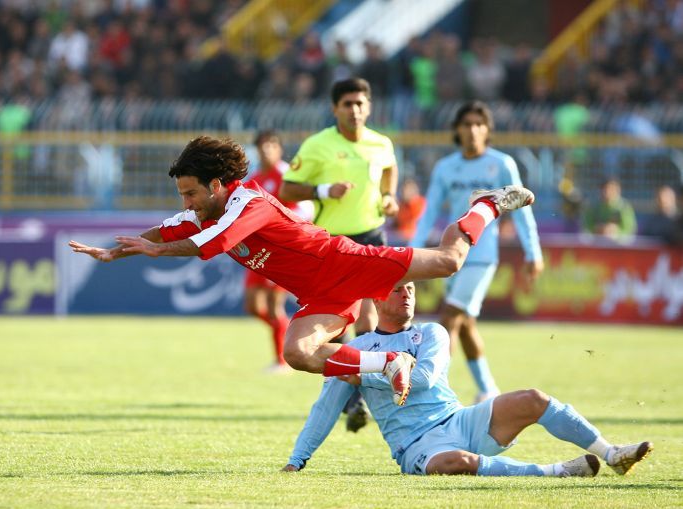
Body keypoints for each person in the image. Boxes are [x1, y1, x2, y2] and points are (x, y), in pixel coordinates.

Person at [69, 135, 536, 406]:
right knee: (297, 353)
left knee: (450, 261)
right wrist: (115, 253)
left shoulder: (247, 203)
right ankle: (390, 362)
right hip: (319, 294)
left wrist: (155, 252)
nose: (186, 203)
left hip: (345, 262)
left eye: (190, 193)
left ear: (215, 185)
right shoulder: (203, 212)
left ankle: (485, 205)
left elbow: (216, 243)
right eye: (182, 196)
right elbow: (165, 230)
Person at [282, 282, 653, 477]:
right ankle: (556, 472)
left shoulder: (432, 332)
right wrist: (298, 460)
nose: (407, 295)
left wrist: (370, 373)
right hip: (416, 446)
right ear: (376, 301)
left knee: (533, 398)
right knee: (456, 462)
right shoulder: (357, 348)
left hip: (459, 420)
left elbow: (424, 379)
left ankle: (612, 453)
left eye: (411, 289)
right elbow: (325, 408)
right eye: (397, 289)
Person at [278, 77, 400, 430]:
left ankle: (364, 394)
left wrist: (388, 196)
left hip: (372, 235)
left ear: (369, 106)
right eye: (348, 104)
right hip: (332, 242)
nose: (355, 110)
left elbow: (389, 169)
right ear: (335, 109)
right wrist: (322, 190)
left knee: (370, 318)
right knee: (337, 321)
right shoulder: (318, 145)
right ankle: (354, 393)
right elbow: (287, 188)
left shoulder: (381, 143)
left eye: (360, 103)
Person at [409, 101, 544, 403]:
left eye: (478, 124)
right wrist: (414, 251)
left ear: (487, 130)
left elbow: (522, 210)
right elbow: (430, 212)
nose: (472, 130)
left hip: (482, 256)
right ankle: (488, 389)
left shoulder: (502, 163)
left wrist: (533, 252)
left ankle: (433, 390)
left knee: (449, 318)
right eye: (467, 124)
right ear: (457, 130)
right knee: (466, 323)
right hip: (451, 254)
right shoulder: (445, 167)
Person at [243, 130, 307, 373]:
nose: (266, 149)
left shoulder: (286, 175)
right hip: (257, 250)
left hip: (280, 251)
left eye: (271, 145)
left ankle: (281, 360)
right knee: (252, 305)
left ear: (279, 149)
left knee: (273, 305)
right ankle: (286, 333)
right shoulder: (255, 179)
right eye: (262, 145)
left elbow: (303, 210)